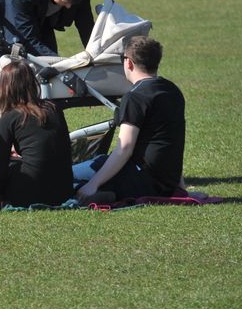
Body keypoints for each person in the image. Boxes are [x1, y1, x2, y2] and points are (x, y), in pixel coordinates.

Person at [76, 36, 186, 201]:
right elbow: (171, 143)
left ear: (128, 63)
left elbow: (125, 148)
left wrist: (93, 184)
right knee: (98, 162)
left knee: (66, 176)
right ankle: (109, 191)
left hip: (139, 179)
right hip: (166, 184)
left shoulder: (136, 96)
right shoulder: (173, 90)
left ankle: (107, 192)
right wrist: (180, 188)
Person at [0, 60, 73, 207]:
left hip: (28, 193)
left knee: (8, 165)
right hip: (64, 190)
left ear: (5, 87)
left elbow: (0, 167)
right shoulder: (54, 108)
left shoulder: (10, 118)